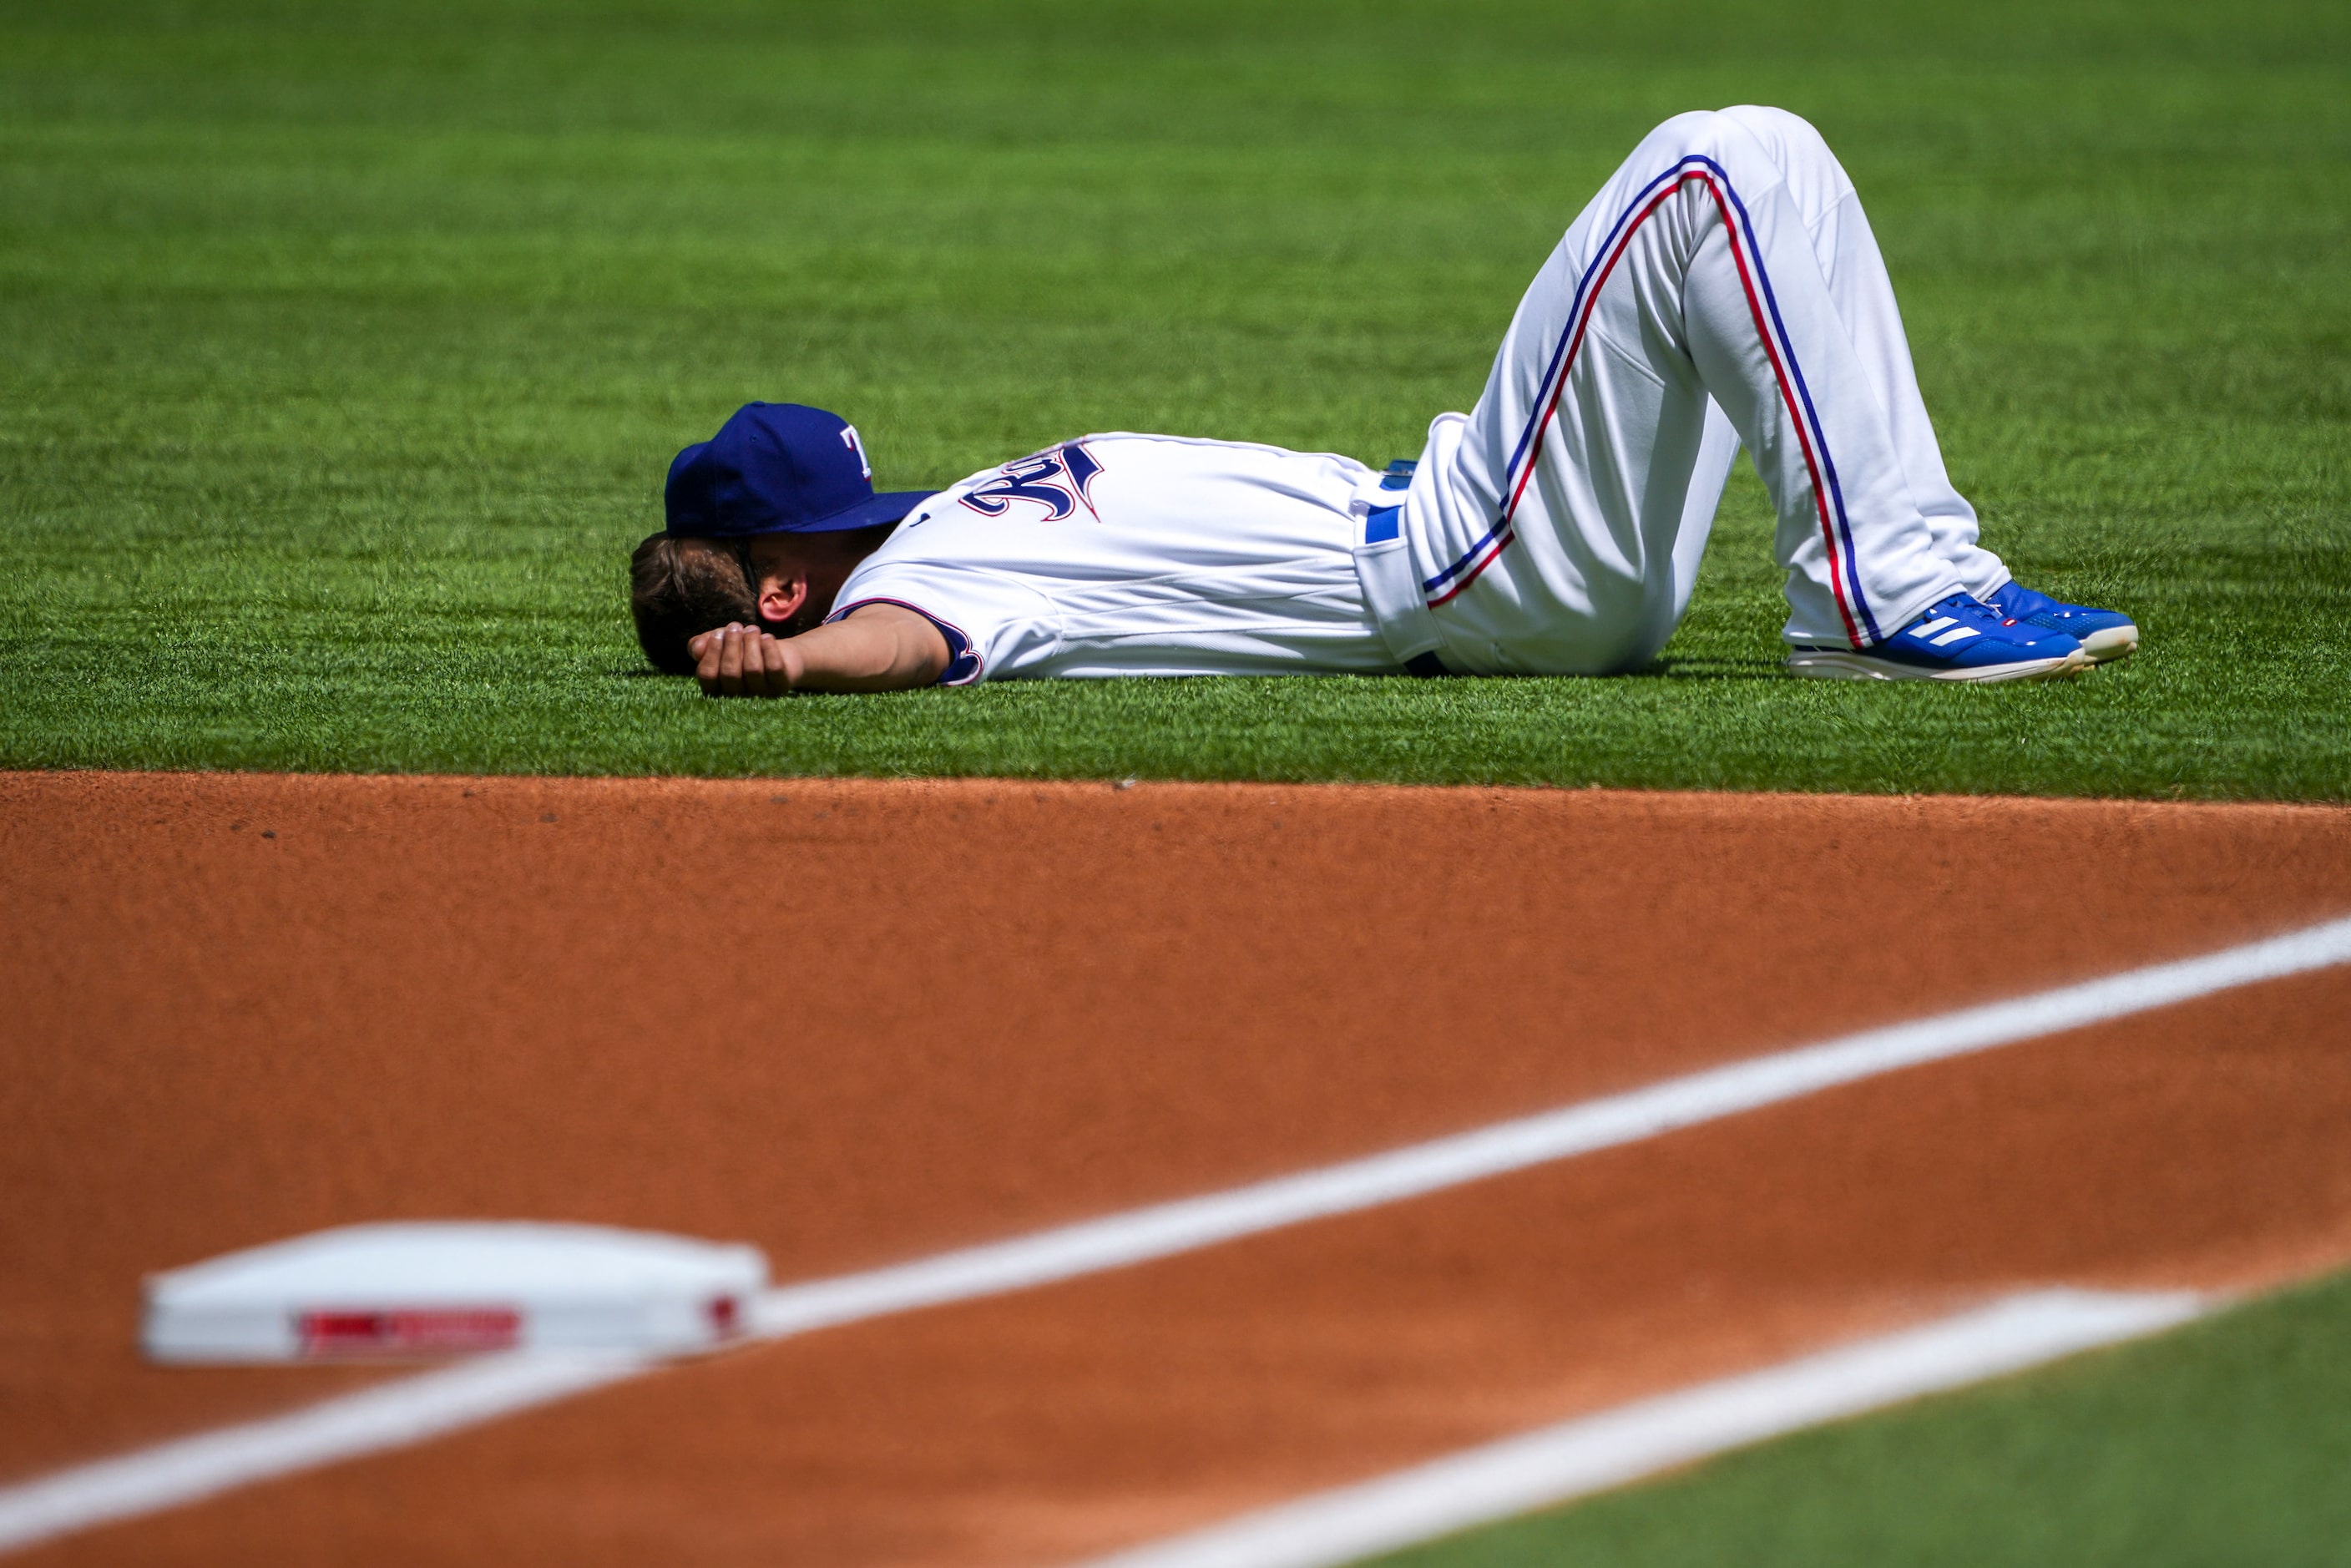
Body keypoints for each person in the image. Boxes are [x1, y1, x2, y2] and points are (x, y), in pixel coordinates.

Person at [631, 105, 2138, 697]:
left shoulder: (935, 530)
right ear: (782, 582)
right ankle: (1887, 594)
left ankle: (1911, 570)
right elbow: (921, 637)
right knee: (1712, 164)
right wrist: (804, 668)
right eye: (846, 523)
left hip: (1483, 553)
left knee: (1769, 175)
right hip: (1458, 562)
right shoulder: (919, 574)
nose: (877, 520)